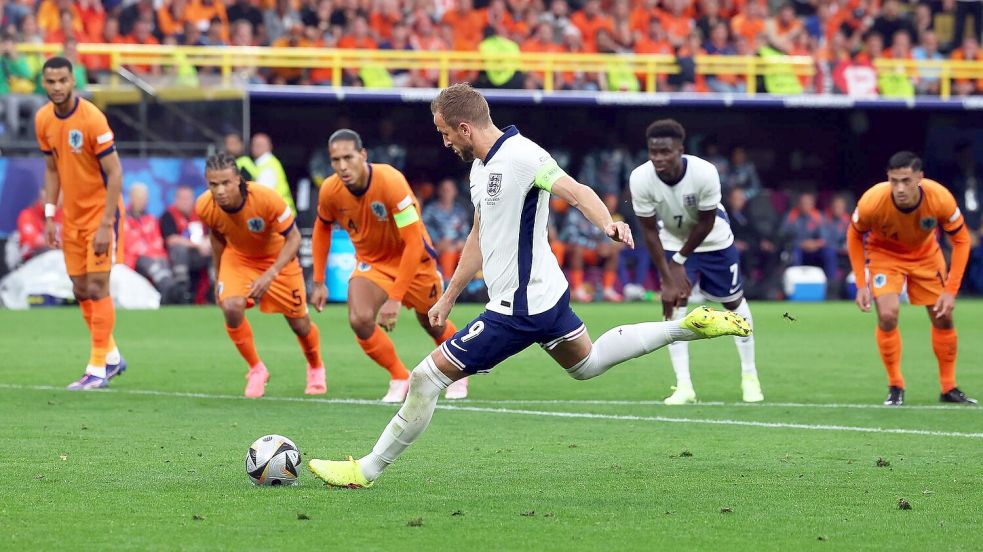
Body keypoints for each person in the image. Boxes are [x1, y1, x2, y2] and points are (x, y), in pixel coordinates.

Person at [308, 83, 750, 488]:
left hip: (519, 307)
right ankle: (689, 326)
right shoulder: (480, 169)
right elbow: (477, 237)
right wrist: (447, 296)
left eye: (445, 134)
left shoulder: (523, 155)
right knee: (588, 364)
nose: (444, 142)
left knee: (424, 377)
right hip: (545, 295)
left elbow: (575, 191)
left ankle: (364, 470)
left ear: (464, 128)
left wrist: (608, 223)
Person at [309, 129, 467, 402]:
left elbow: (413, 243)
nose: (343, 166)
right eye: (336, 160)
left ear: (363, 155)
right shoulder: (330, 190)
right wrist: (319, 280)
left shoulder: (391, 181)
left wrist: (395, 299)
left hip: (414, 261)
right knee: (359, 319)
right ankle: (399, 376)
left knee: (432, 323)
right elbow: (322, 228)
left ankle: (459, 371)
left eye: (348, 157)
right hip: (373, 263)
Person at [630, 119, 763, 405]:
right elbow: (649, 230)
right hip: (672, 241)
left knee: (733, 304)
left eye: (665, 152)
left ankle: (749, 376)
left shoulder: (704, 173)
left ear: (681, 149)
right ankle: (684, 386)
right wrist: (667, 278)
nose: (658, 158)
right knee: (673, 307)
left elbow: (705, 222)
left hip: (714, 240)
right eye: (653, 152)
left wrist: (679, 261)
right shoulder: (640, 178)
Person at [848, 152, 976, 406]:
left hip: (926, 256)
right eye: (894, 181)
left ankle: (948, 387)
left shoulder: (940, 198)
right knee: (887, 315)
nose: (900, 188)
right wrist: (861, 284)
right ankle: (895, 385)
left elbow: (962, 240)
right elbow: (854, 236)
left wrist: (951, 290)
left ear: (920, 177)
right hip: (885, 255)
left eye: (906, 180)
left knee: (943, 317)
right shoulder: (872, 200)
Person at [196, 152, 325, 398]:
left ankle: (316, 367)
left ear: (238, 180)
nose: (220, 190)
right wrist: (218, 275)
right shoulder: (204, 205)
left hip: (278, 261)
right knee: (231, 308)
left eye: (225, 183)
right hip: (239, 258)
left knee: (299, 323)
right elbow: (217, 238)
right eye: (213, 184)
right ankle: (256, 369)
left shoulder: (266, 199)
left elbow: (294, 238)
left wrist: (270, 274)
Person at [35, 56, 126, 390]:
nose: (57, 87)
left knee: (98, 287)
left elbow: (115, 172)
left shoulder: (92, 119)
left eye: (62, 80)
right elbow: (51, 168)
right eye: (50, 81)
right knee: (79, 289)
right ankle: (113, 355)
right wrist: (49, 215)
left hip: (100, 215)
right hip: (70, 218)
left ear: (73, 81)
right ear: (43, 83)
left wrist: (105, 224)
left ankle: (98, 368)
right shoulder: (43, 119)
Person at [124, 183, 180, 303]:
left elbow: (158, 241)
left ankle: (169, 291)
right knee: (151, 264)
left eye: (144, 198)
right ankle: (167, 289)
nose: (142, 201)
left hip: (155, 256)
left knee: (163, 260)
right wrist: (151, 253)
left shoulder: (151, 219)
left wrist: (155, 254)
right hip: (134, 259)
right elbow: (132, 245)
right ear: (131, 198)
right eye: (139, 198)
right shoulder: (124, 220)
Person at [160, 185, 211, 304]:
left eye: (188, 198)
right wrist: (196, 245)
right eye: (182, 198)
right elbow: (171, 239)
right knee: (179, 249)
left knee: (216, 249)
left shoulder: (201, 213)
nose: (185, 202)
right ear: (176, 199)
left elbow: (211, 234)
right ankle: (182, 290)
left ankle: (215, 288)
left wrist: (206, 243)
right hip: (178, 257)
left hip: (201, 254)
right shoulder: (169, 215)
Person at [422, 178, 472, 281]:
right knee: (449, 250)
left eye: (449, 190)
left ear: (455, 192)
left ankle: (467, 284)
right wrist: (437, 241)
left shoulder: (460, 211)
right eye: (444, 190)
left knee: (467, 250)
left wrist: (460, 242)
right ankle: (447, 283)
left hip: (457, 246)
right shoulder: (430, 210)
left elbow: (465, 230)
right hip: (437, 246)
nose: (446, 193)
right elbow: (423, 227)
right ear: (439, 191)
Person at [251, 132, 295, 215]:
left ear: (270, 147)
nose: (256, 148)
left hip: (280, 216)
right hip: (281, 214)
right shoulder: (266, 163)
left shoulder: (268, 166)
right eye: (254, 145)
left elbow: (262, 196)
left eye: (260, 145)